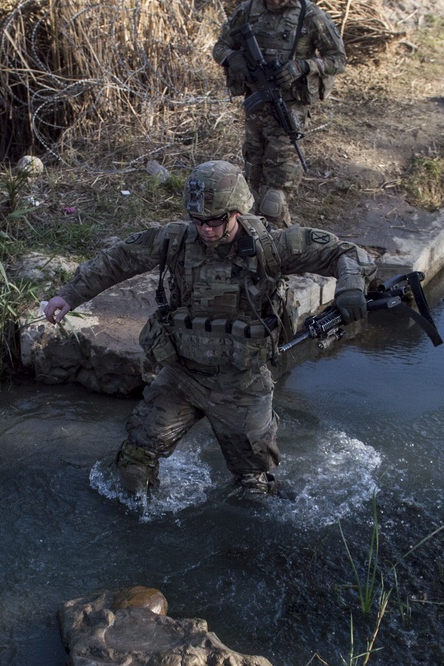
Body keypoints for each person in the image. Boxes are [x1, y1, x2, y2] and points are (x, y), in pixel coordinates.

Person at [42, 160, 373, 497]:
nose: (207, 230)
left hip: (242, 381)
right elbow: (119, 259)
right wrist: (68, 296)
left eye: (216, 221)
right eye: (198, 221)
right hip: (184, 375)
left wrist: (350, 289)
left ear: (237, 213)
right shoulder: (175, 241)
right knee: (134, 462)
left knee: (253, 488)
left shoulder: (272, 246)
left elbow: (345, 252)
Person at [212, 0, 346, 227]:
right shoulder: (248, 9)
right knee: (249, 189)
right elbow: (220, 47)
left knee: (273, 199)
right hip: (255, 110)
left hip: (288, 110)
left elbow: (338, 59)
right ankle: (250, 245)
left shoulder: (310, 15)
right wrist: (233, 58)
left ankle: (278, 250)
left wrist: (303, 66)